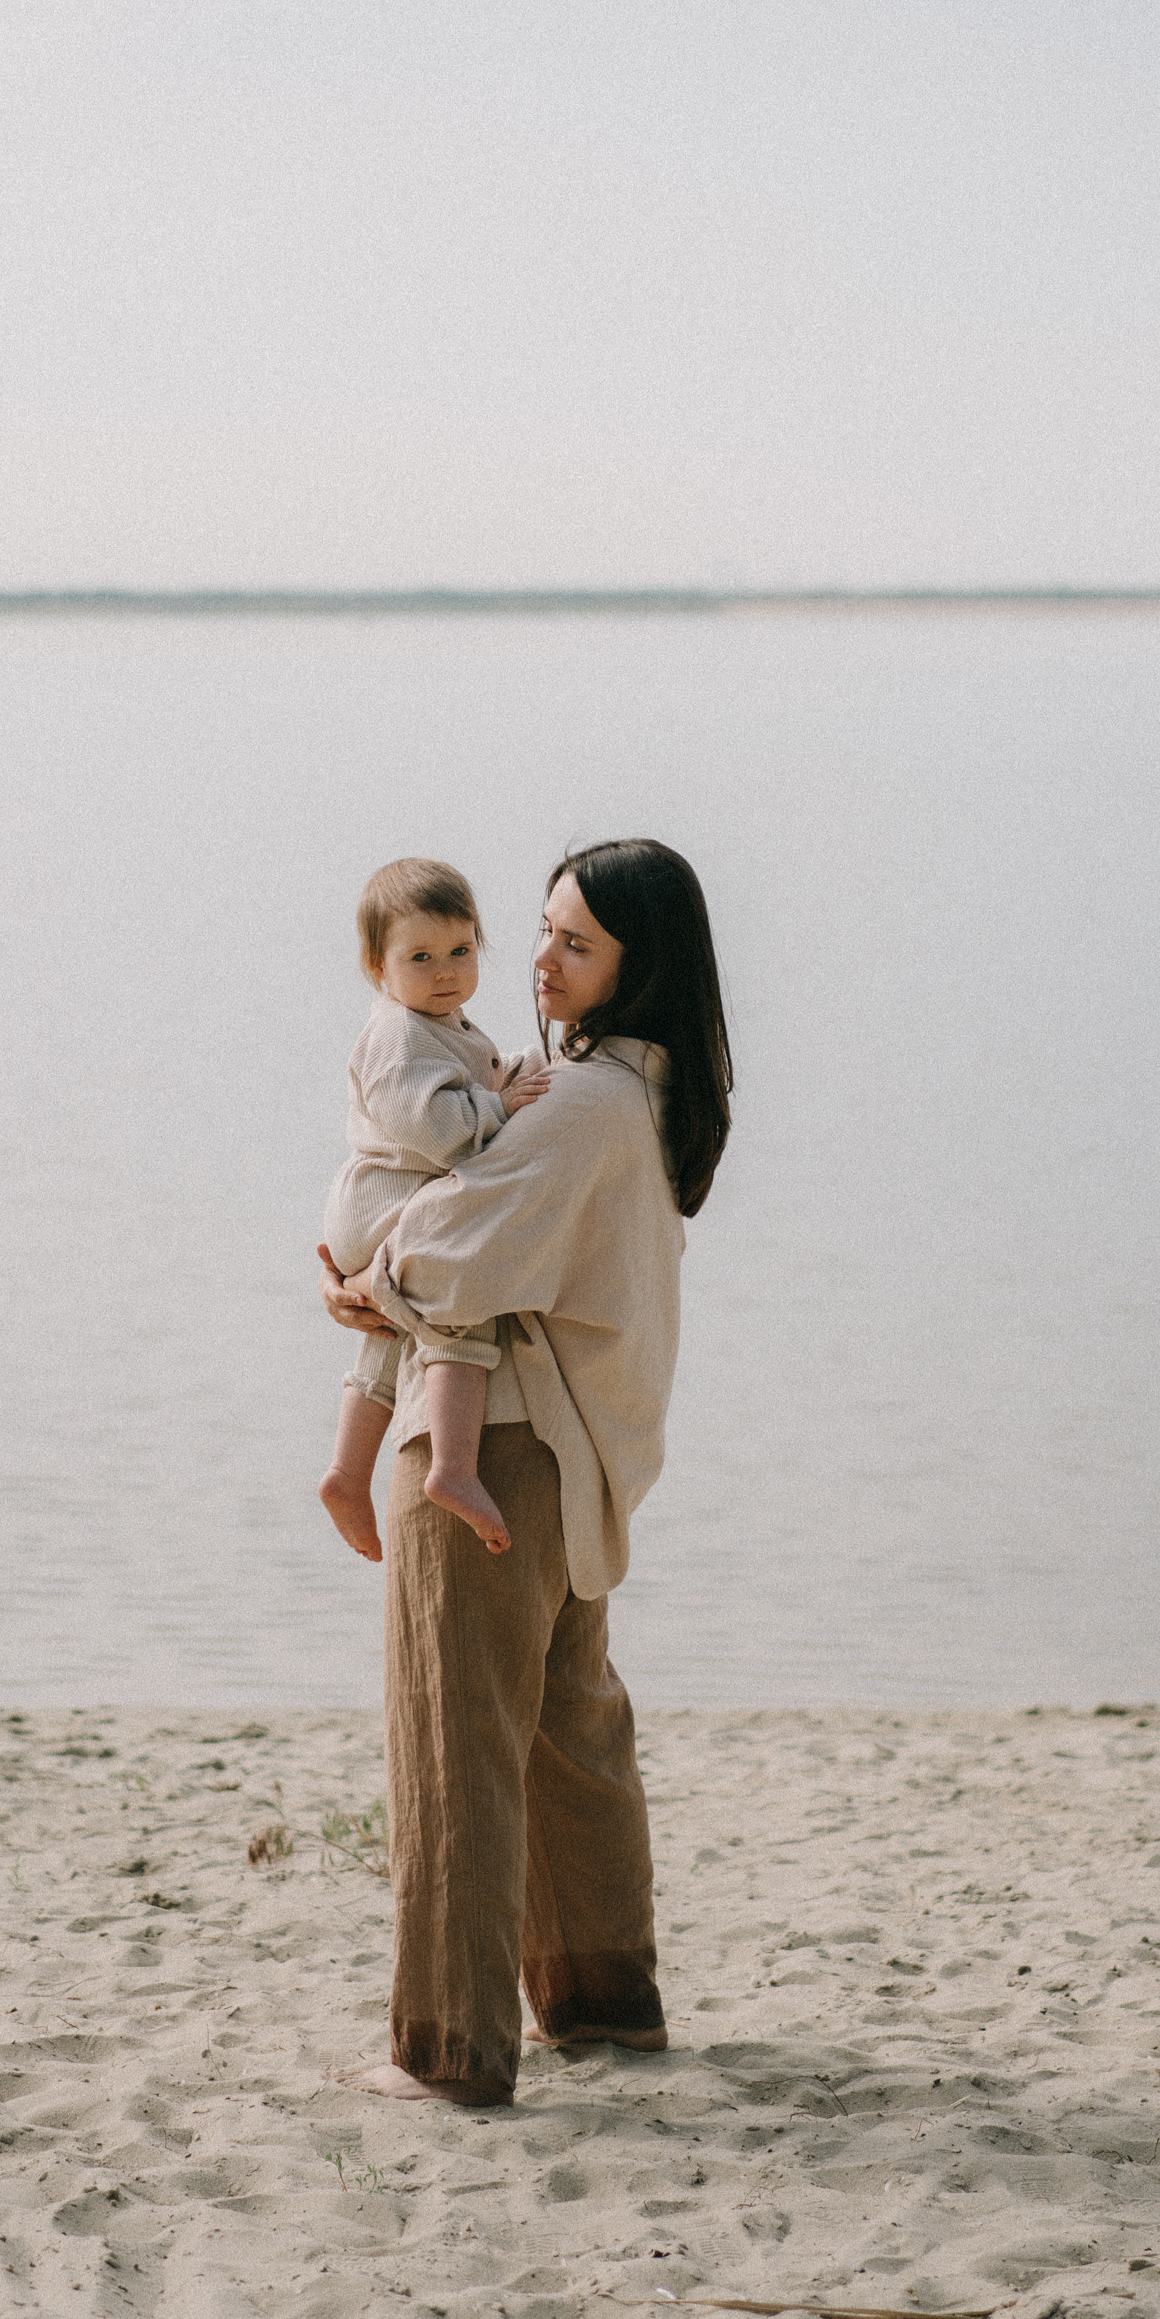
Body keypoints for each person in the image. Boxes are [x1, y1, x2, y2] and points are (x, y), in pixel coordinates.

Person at [317, 837, 733, 2106]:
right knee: (568, 1735)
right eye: (544, 932)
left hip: (497, 1443)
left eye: (576, 943)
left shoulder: (589, 1105)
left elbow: (450, 1251)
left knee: (458, 1747)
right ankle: (603, 2005)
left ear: (635, 965)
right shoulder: (629, 1092)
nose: (540, 963)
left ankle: (448, 2052)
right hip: (568, 1450)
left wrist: (361, 1285)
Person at [318, 857, 551, 1563]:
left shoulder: (440, 1021)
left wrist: (516, 1075)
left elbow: (469, 1078)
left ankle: (346, 1473)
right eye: (419, 957)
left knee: (391, 1330)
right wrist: (498, 1107)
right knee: (459, 1294)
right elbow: (438, 1127)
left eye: (460, 950)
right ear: (375, 965)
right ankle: (452, 1466)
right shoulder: (396, 1035)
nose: (444, 970)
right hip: (385, 1198)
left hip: (382, 1201)